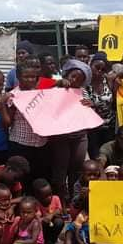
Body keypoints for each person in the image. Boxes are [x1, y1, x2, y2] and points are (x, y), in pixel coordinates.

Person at [0, 58, 50, 193]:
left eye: (33, 77)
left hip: (41, 144)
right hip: (21, 145)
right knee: (20, 180)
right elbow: (7, 122)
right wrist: (3, 104)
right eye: (26, 77)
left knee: (39, 178)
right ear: (18, 77)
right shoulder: (13, 96)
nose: (30, 80)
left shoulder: (42, 94)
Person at [48, 60, 91, 204]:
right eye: (73, 76)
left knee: (77, 169)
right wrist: (57, 84)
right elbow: (41, 93)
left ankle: (74, 201)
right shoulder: (56, 88)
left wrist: (90, 106)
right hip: (61, 136)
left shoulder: (83, 92)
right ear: (66, 74)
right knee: (60, 170)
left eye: (80, 79)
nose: (75, 81)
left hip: (80, 135)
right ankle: (60, 203)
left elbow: (90, 113)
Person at [84, 52, 115, 160]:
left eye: (103, 69)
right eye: (97, 67)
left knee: (109, 157)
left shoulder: (109, 80)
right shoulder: (85, 84)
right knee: (95, 157)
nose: (100, 71)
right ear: (90, 66)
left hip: (109, 127)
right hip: (93, 130)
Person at [31, 178, 64, 244]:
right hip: (44, 228)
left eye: (50, 194)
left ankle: (54, 240)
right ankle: (44, 240)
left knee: (59, 222)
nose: (49, 197)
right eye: (45, 196)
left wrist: (51, 215)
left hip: (54, 224)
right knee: (41, 223)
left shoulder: (55, 198)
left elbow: (59, 210)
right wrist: (44, 219)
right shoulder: (36, 203)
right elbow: (37, 218)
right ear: (38, 196)